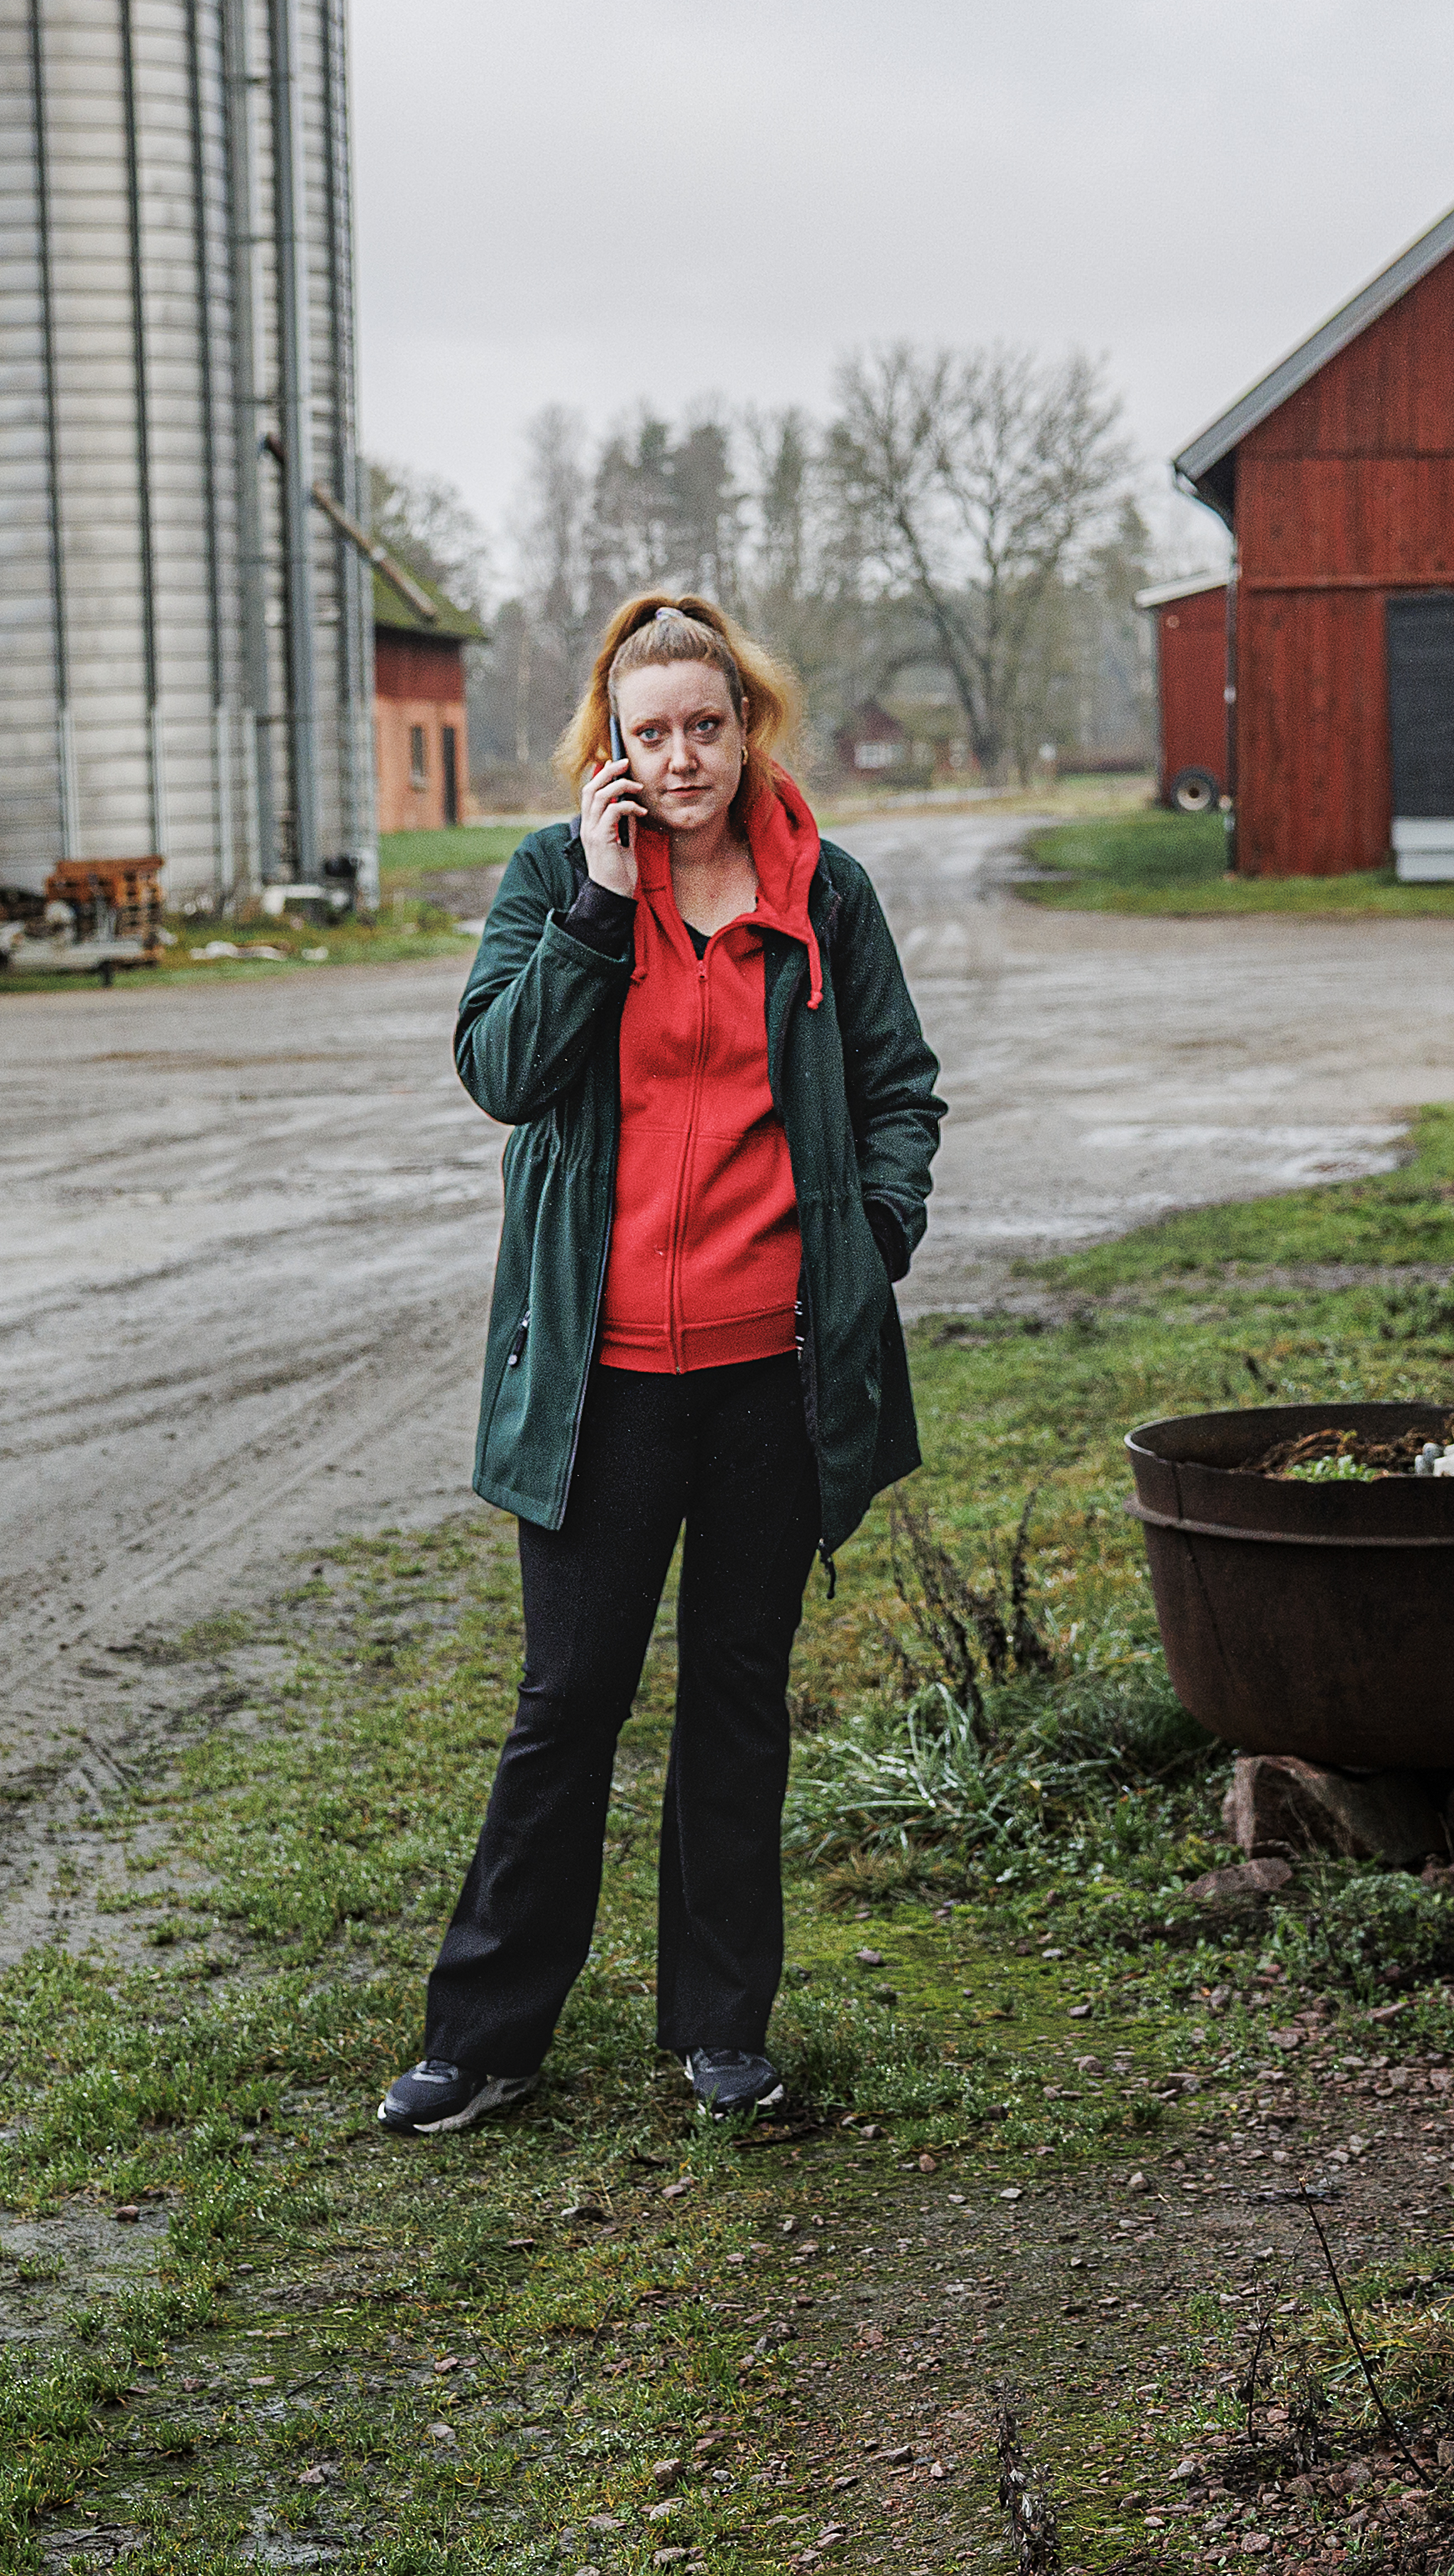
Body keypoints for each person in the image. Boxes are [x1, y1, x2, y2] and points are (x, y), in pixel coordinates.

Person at [378, 589, 946, 2136]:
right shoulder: (553, 879)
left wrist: (871, 1238)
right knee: (567, 1700)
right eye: (653, 733)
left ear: (747, 727)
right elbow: (501, 1071)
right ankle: (485, 2038)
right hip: (602, 1382)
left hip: (772, 1373)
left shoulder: (824, 892)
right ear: (611, 748)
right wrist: (596, 904)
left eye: (707, 725)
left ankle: (721, 2031)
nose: (683, 757)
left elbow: (899, 1087)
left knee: (737, 1699)